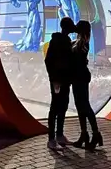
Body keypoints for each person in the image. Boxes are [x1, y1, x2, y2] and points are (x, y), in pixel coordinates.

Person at [70, 20, 103, 151]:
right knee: (80, 105)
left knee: (84, 105)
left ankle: (95, 133)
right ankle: (84, 134)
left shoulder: (82, 43)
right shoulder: (80, 42)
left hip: (80, 77)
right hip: (78, 76)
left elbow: (75, 52)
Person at [44, 17, 74, 151]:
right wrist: (54, 78)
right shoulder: (57, 41)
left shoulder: (65, 41)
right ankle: (52, 138)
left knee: (62, 106)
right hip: (58, 80)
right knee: (56, 107)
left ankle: (59, 135)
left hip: (64, 79)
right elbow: (48, 61)